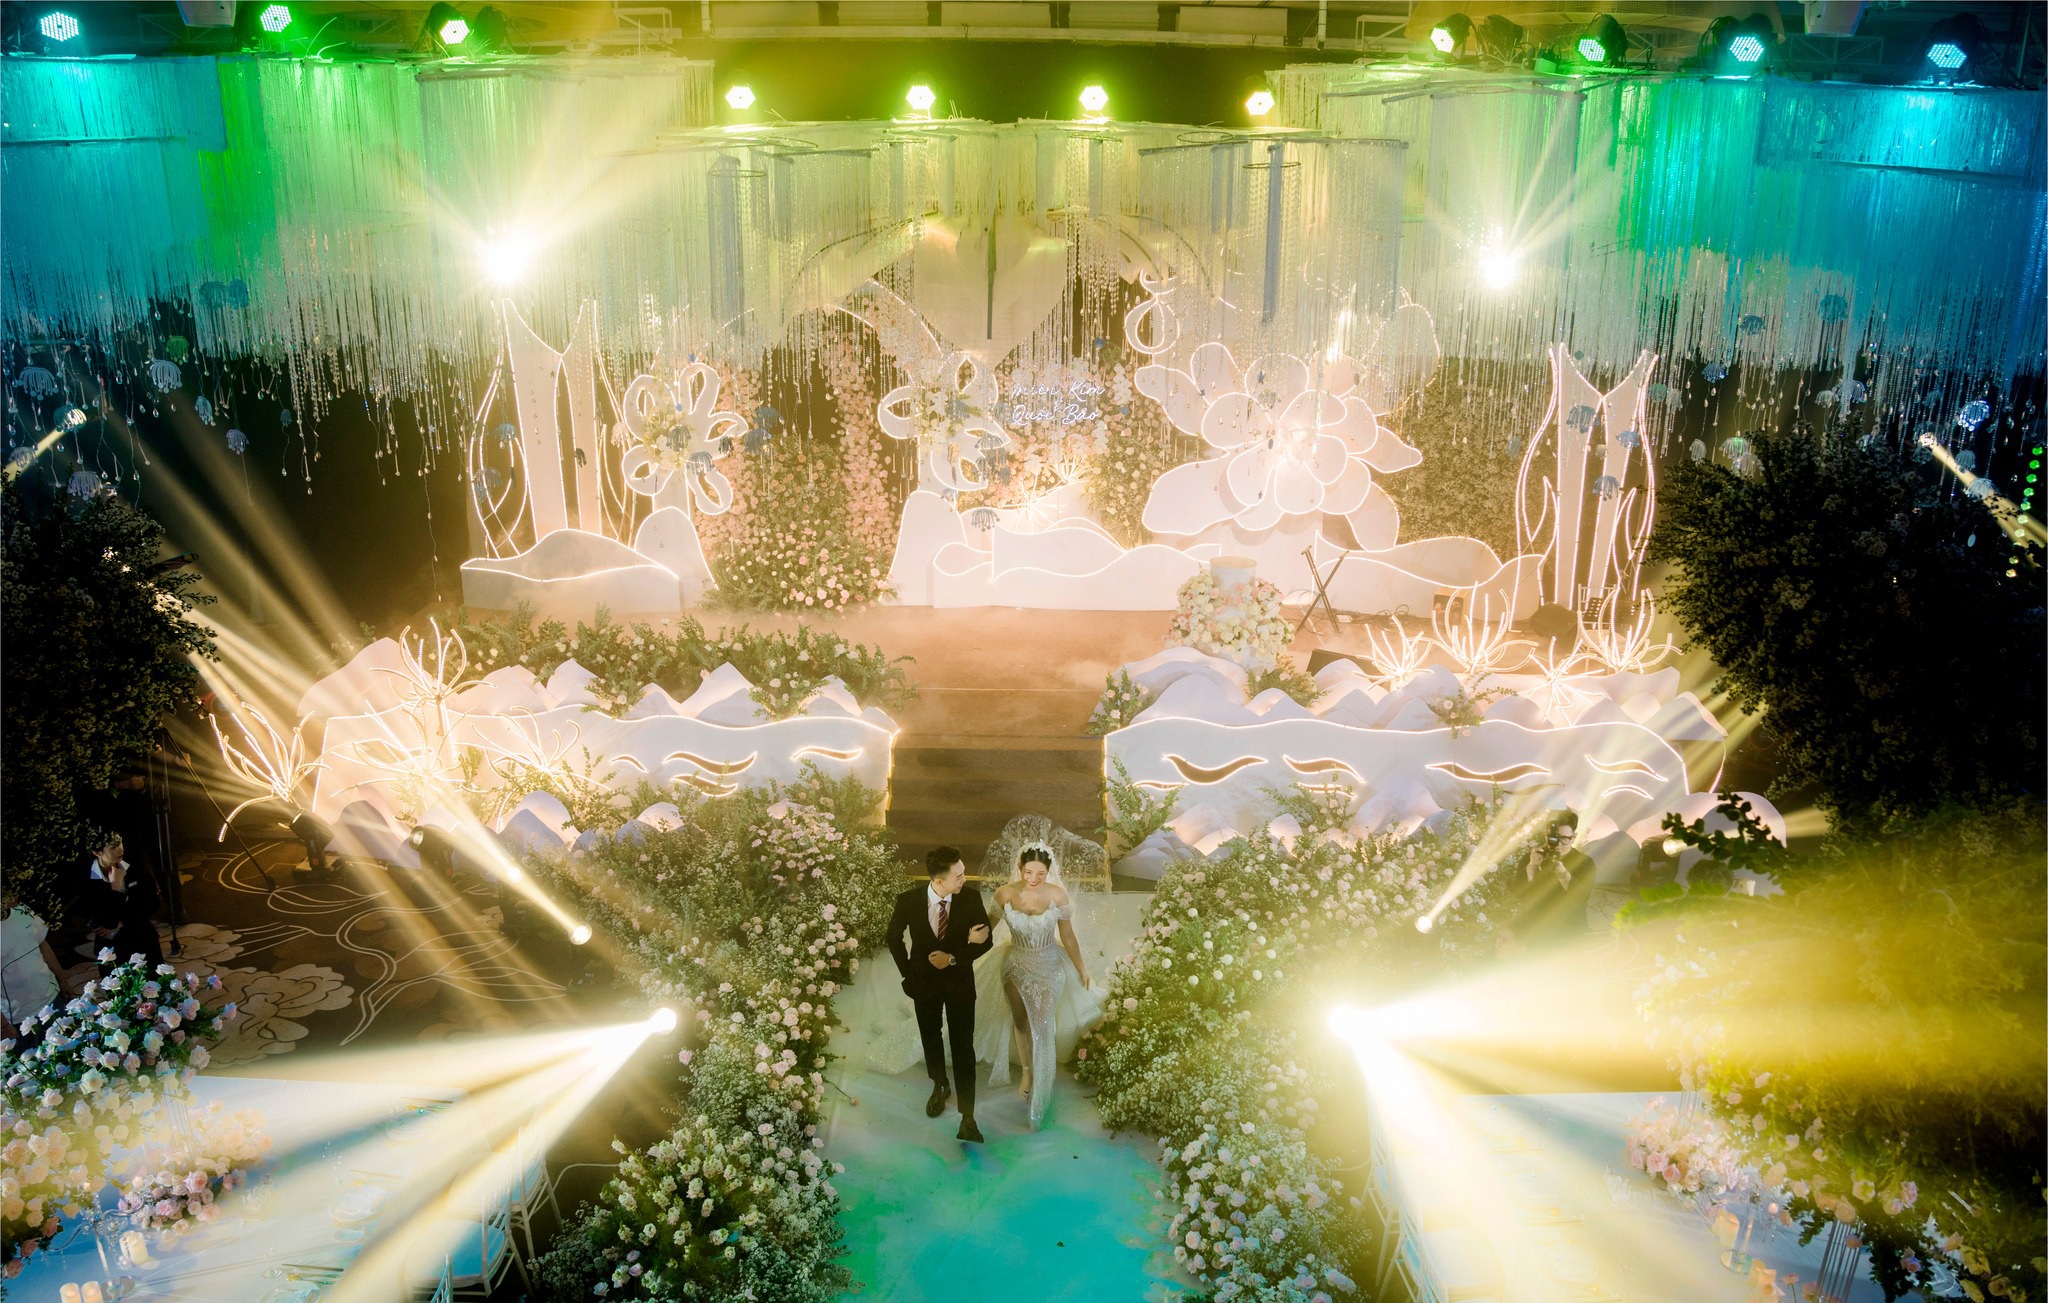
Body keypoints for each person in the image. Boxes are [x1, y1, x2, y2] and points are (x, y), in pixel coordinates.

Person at [974, 843, 1102, 1130]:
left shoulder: (1057, 895)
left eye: (1040, 874)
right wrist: (965, 945)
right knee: (1020, 1020)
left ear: (1049, 872)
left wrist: (1082, 969)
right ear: (1019, 868)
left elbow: (1068, 936)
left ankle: (1042, 1084)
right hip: (1015, 963)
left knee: (1042, 1023)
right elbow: (986, 930)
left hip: (1049, 964)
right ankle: (1027, 1071)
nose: (1034, 878)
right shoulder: (1005, 894)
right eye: (1028, 872)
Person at [886, 846, 992, 1143]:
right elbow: (893, 937)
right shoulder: (908, 901)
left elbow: (986, 942)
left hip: (960, 983)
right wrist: (908, 974)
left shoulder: (970, 898)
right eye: (958, 876)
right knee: (930, 1037)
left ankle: (968, 1117)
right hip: (924, 984)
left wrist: (954, 957)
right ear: (939, 880)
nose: (964, 879)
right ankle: (940, 1084)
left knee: (963, 1046)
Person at [0, 892, 81, 1039]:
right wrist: (3, 1025)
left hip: (52, 998)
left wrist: (63, 981)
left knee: (69, 1045)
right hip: (19, 1017)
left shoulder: (22, 911)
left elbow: (43, 946)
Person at [84, 833, 164, 973]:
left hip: (143, 936)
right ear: (97, 852)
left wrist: (123, 922)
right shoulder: (87, 879)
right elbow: (107, 923)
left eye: (120, 842)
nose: (120, 849)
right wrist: (116, 888)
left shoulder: (135, 866)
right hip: (113, 948)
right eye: (113, 846)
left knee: (156, 981)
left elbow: (153, 903)